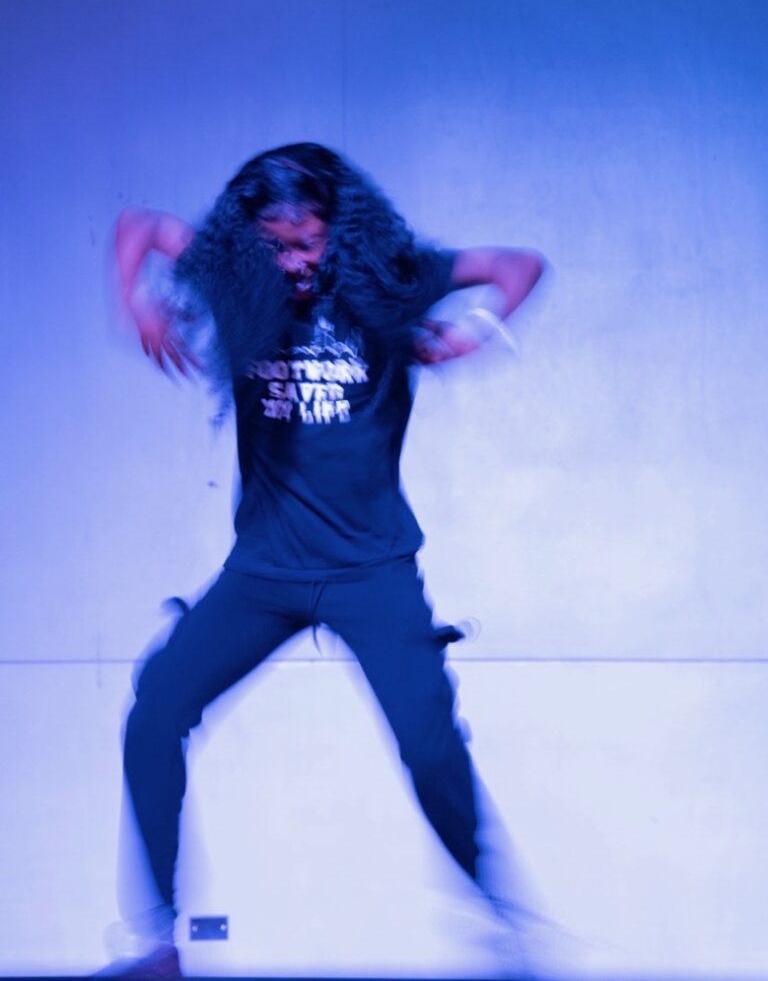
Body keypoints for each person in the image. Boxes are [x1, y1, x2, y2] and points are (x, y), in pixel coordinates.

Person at [108, 142, 544, 978]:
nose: (297, 262)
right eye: (279, 246)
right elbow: (138, 226)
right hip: (264, 571)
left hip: (372, 569)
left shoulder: (392, 274)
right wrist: (138, 302)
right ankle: (159, 942)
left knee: (430, 744)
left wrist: (471, 332)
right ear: (254, 239)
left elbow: (516, 265)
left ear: (337, 229)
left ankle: (501, 927)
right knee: (156, 708)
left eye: (309, 242)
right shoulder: (235, 275)